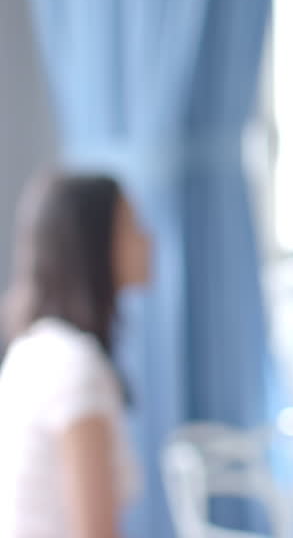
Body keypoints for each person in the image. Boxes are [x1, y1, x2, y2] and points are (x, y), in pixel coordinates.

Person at [0, 172, 149, 538]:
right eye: (131, 227)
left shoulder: (36, 348)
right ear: (95, 246)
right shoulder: (75, 368)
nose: (148, 240)